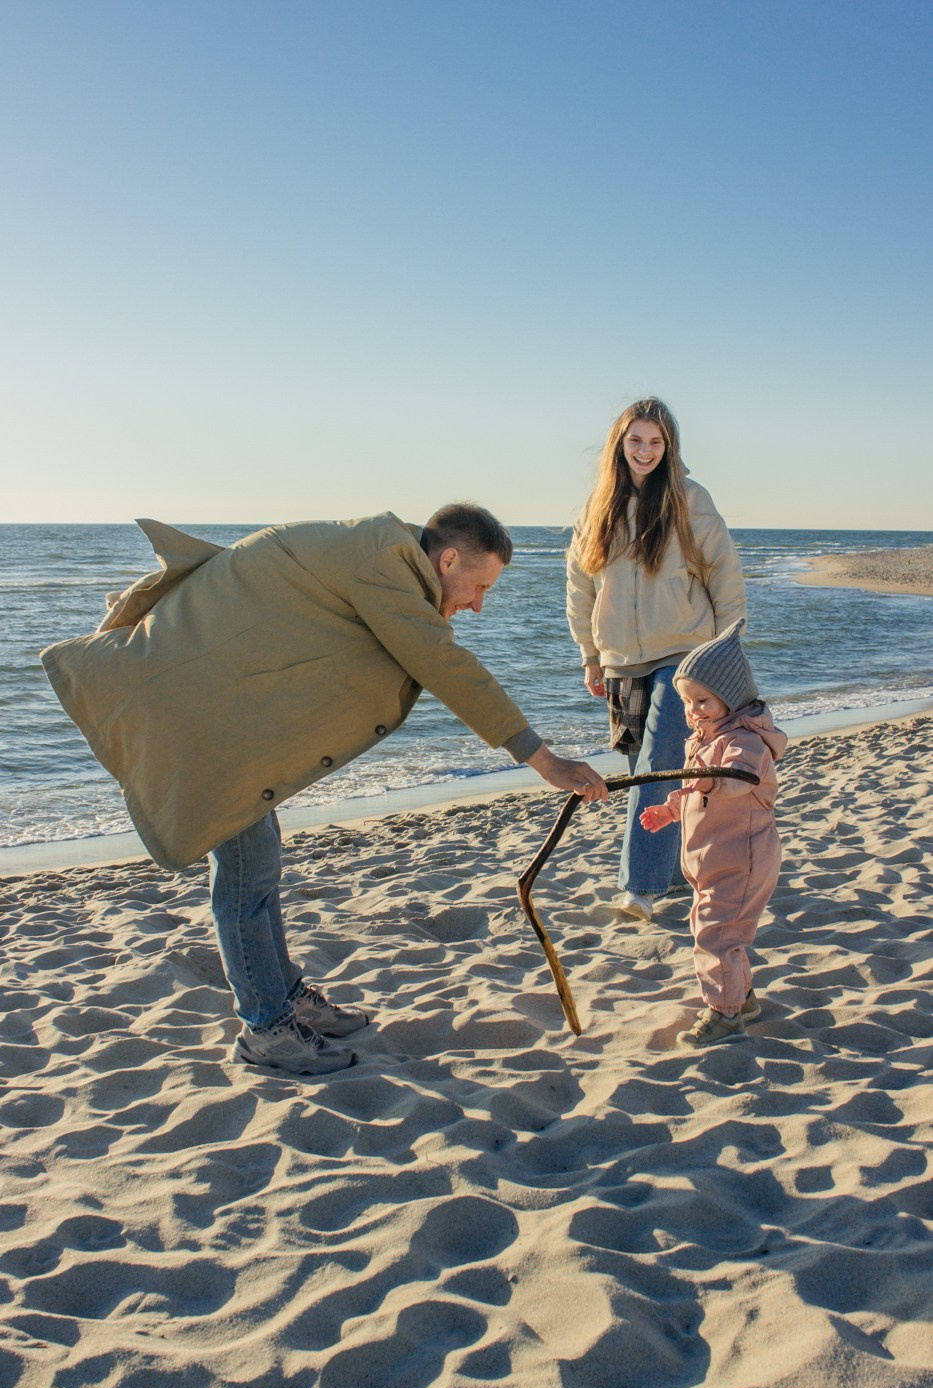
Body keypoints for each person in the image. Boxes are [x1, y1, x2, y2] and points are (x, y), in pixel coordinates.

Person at [42, 504, 608, 1076]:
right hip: (199, 720)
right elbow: (442, 662)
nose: (478, 604)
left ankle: (280, 997)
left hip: (224, 716)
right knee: (244, 877)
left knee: (258, 867)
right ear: (449, 558)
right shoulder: (383, 562)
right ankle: (266, 1027)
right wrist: (542, 759)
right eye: (478, 586)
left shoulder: (382, 553)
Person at [566, 397, 746, 922]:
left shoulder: (690, 499)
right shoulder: (598, 504)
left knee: (658, 763)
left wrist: (727, 645)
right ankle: (670, 876)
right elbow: (579, 585)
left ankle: (638, 888)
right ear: (620, 444)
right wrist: (590, 655)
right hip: (621, 660)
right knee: (647, 774)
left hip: (683, 653)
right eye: (636, 440)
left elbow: (725, 575)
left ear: (669, 447)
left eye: (655, 441)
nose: (645, 450)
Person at [640, 620, 786, 1047]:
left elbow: (738, 779)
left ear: (730, 697)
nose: (693, 711)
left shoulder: (746, 741)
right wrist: (671, 810)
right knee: (717, 930)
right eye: (687, 702)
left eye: (702, 700)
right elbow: (693, 790)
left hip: (741, 859)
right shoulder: (705, 737)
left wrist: (710, 782)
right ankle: (742, 999)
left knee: (716, 934)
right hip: (713, 858)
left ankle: (725, 1016)